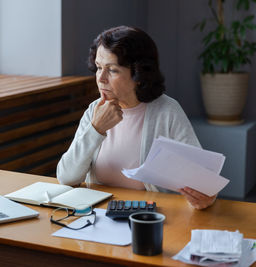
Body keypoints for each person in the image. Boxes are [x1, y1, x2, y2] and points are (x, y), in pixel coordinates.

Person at [56, 25, 216, 210]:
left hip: (148, 218)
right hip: (99, 218)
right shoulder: (95, 110)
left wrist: (205, 197)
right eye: (99, 68)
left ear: (139, 74)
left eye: (112, 70)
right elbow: (66, 178)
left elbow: (202, 180)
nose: (101, 78)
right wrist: (95, 129)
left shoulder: (167, 112)